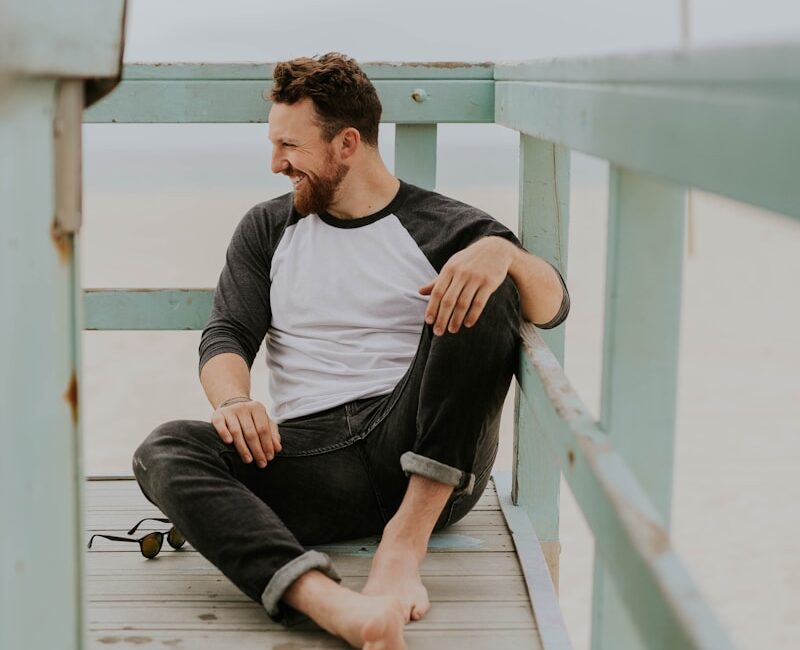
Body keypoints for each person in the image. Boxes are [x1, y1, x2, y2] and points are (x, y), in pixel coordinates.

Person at [132, 52, 569, 650]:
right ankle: (332, 605)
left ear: (347, 144)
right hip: (311, 458)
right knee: (165, 449)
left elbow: (553, 306)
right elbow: (226, 333)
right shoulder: (266, 230)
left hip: (423, 447)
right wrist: (234, 400)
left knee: (489, 286)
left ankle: (401, 548)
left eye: (290, 146)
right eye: (273, 144)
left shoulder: (444, 227)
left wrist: (506, 256)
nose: (275, 163)